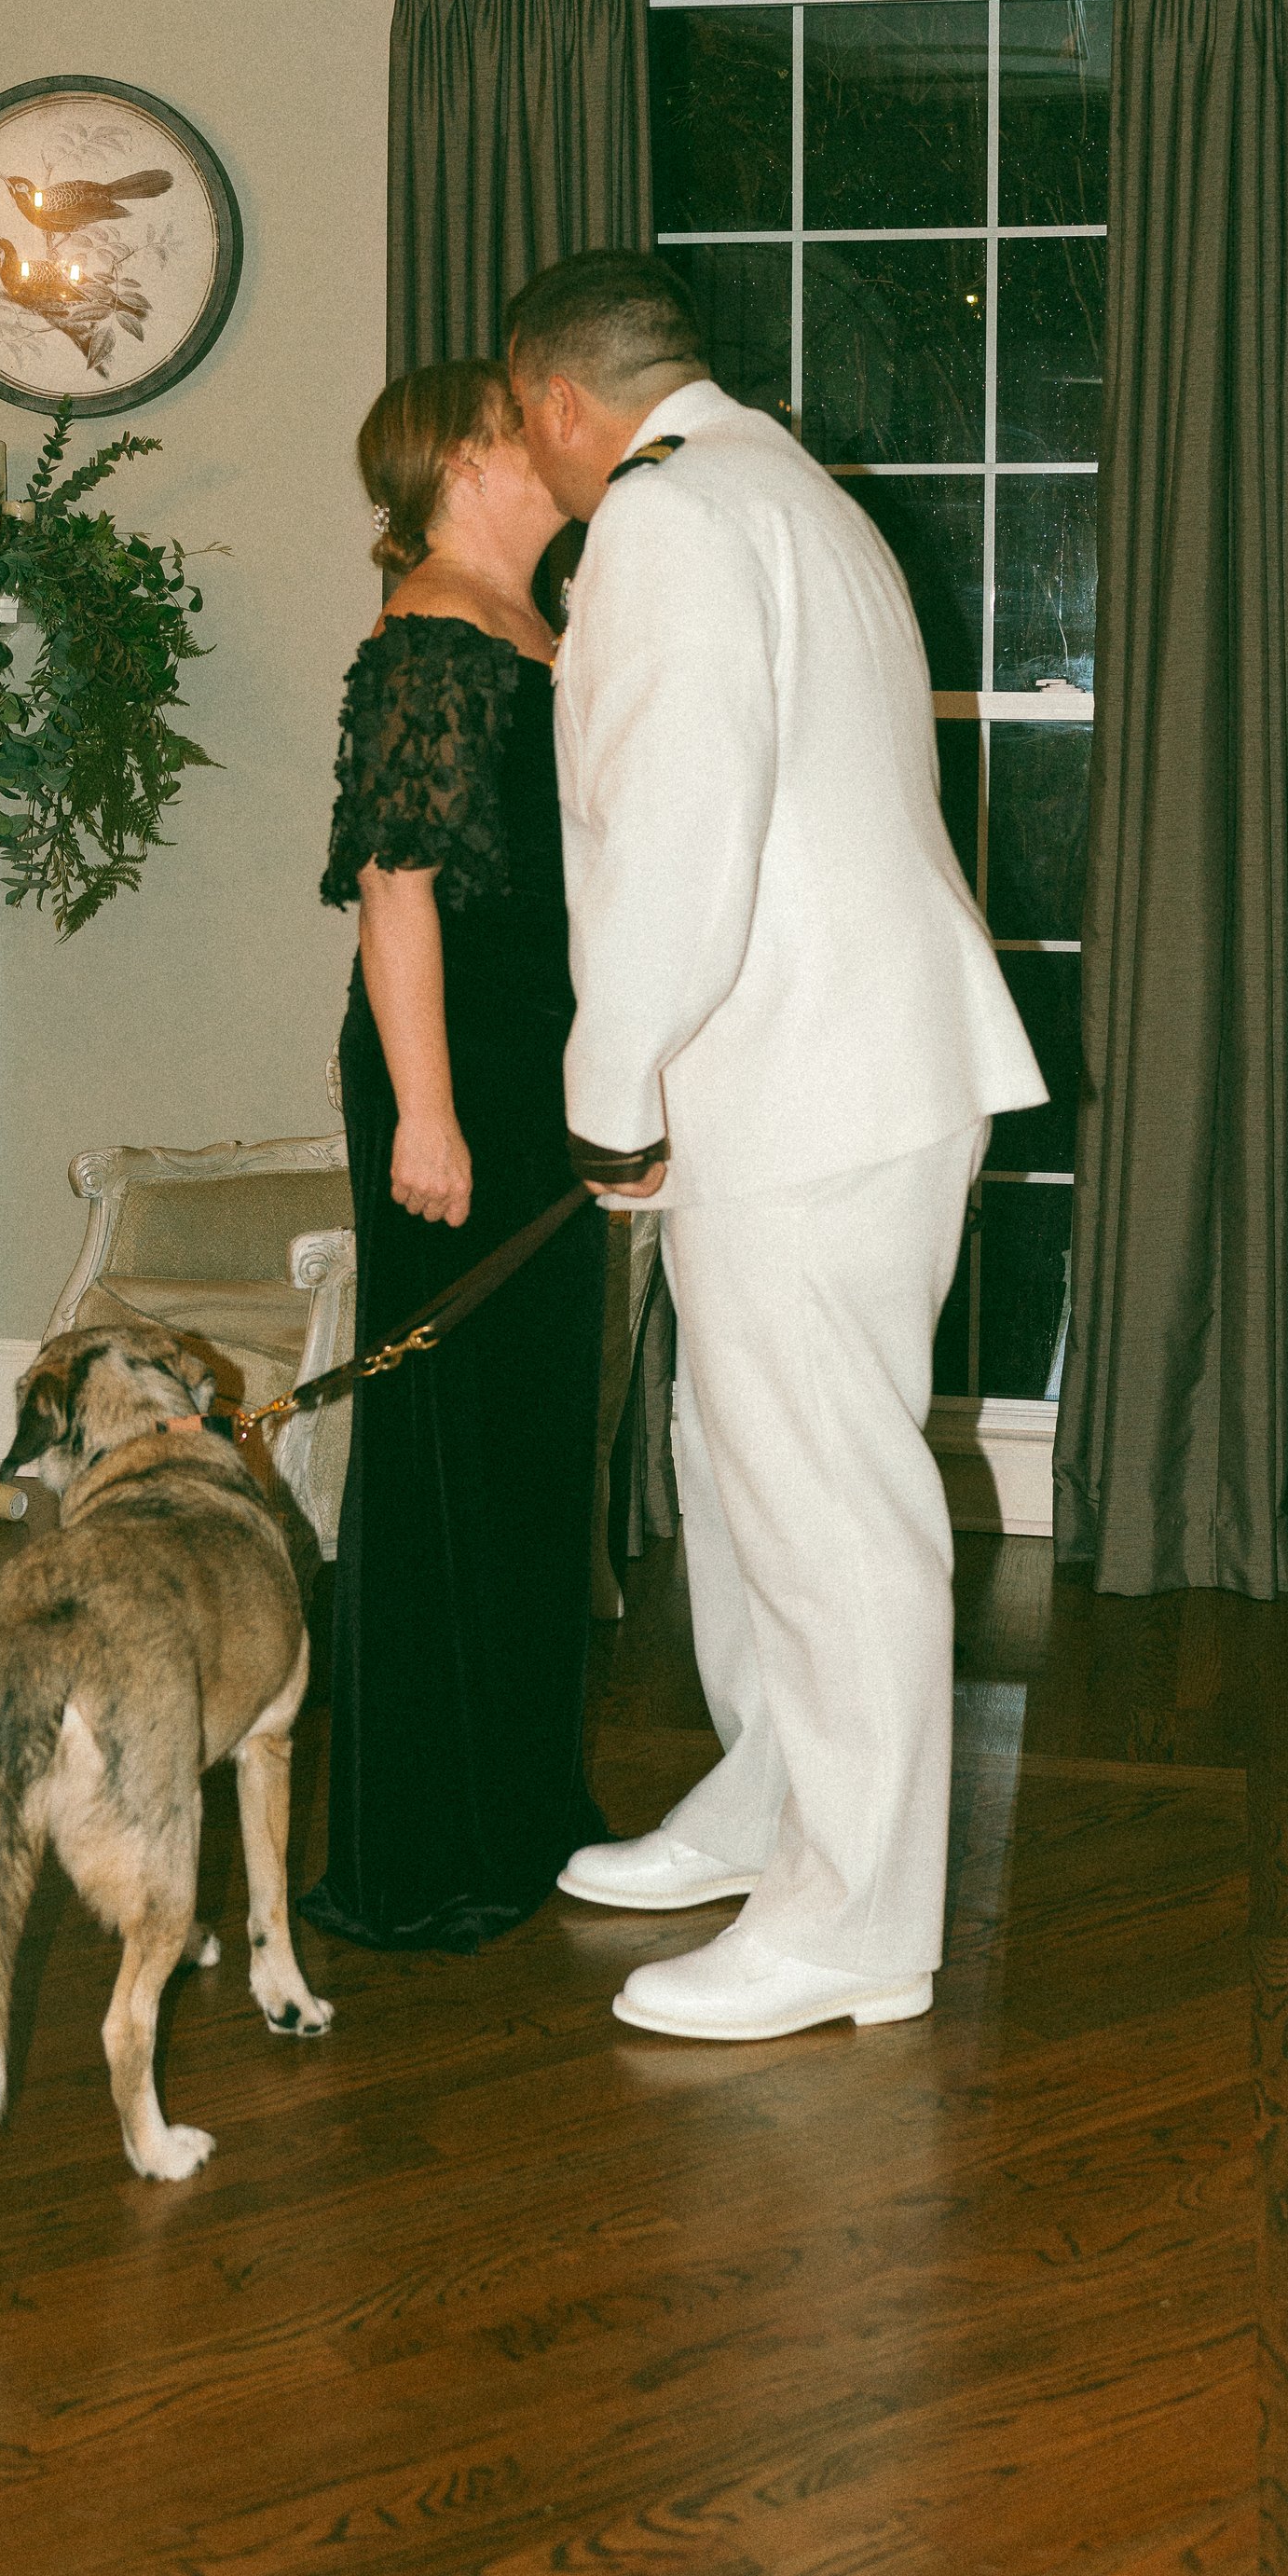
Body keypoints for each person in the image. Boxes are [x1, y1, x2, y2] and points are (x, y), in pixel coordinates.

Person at [505, 250, 1046, 2044]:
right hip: (837, 1072)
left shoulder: (666, 523)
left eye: (530, 428)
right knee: (739, 1477)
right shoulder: (788, 488)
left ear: (562, 403)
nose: (539, 460)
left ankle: (856, 1922)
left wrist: (609, 1096)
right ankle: (768, 1806)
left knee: (824, 1505)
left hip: (799, 1080)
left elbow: (675, 833)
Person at [301, 359, 608, 1951]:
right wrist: (426, 1111)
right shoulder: (431, 628)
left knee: (528, 1447)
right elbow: (396, 886)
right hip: (463, 1081)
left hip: (534, 1074)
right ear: (478, 455)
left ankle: (521, 1807)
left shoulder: (529, 619)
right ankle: (430, 1851)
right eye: (531, 426)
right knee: (447, 1448)